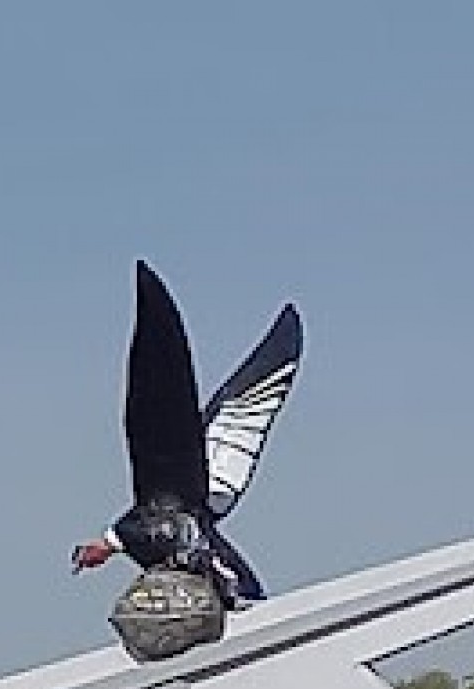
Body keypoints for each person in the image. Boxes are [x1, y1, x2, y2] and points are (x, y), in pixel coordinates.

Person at [69, 260, 301, 615]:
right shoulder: (147, 519)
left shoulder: (154, 510)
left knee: (152, 425)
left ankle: (237, 594)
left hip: (198, 547)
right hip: (189, 540)